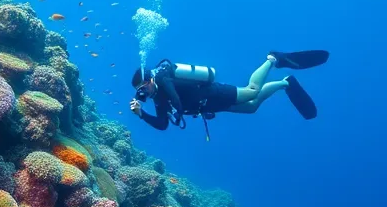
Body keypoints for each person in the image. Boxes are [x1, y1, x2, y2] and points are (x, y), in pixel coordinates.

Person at [130, 51, 329, 138]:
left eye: (142, 88)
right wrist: (142, 114)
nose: (141, 93)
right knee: (251, 107)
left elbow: (176, 102)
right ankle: (285, 83)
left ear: (149, 80)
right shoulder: (157, 97)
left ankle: (272, 59)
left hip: (213, 93)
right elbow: (163, 125)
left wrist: (175, 109)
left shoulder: (163, 79)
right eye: (139, 90)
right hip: (208, 105)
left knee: (251, 91)